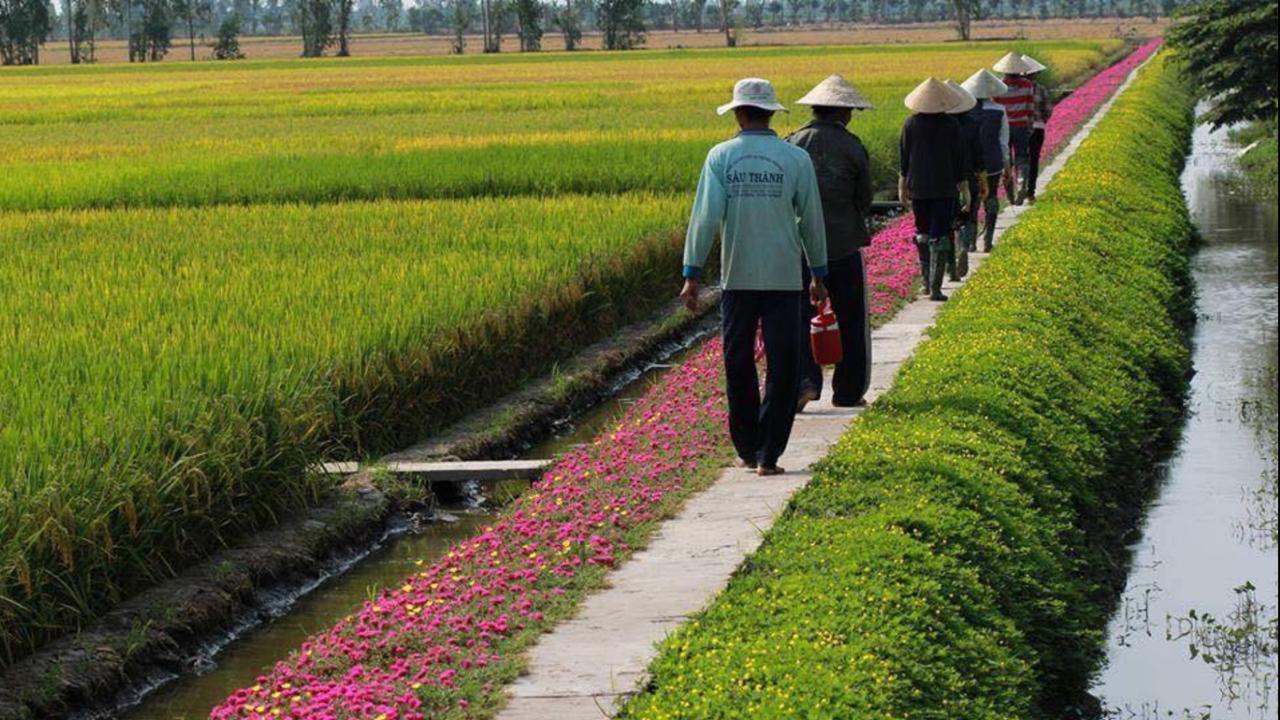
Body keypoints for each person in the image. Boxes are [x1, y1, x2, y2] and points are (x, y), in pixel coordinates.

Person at [680, 77, 829, 477]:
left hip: (738, 277)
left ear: (739, 113)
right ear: (769, 113)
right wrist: (818, 272)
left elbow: (705, 218)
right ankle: (769, 455)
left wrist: (692, 272)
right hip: (784, 277)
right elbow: (811, 220)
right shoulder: (795, 159)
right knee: (783, 365)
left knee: (738, 362)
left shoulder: (721, 157)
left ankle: (746, 447)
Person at [786, 74, 875, 411]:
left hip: (800, 249)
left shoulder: (793, 144)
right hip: (843, 245)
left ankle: (805, 383)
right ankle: (848, 390)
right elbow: (864, 199)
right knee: (850, 319)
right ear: (842, 112)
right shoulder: (853, 146)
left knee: (800, 315)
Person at [898, 77, 965, 302]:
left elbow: (904, 158)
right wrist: (964, 187)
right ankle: (935, 287)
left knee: (923, 233)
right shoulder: (951, 125)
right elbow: (958, 160)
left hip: (919, 187)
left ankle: (927, 284)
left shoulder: (910, 124)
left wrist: (903, 185)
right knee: (940, 235)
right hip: (945, 187)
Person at [962, 69, 1011, 253]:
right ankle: (988, 240)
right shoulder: (999, 111)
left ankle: (971, 242)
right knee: (991, 198)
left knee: (972, 200)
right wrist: (1007, 167)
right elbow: (1003, 143)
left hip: (970, 165)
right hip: (993, 163)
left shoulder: (964, 114)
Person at [944, 79, 980, 282]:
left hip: (945, 180)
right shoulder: (972, 124)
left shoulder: (940, 126)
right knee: (967, 215)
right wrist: (982, 179)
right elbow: (979, 155)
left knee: (948, 223)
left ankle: (952, 264)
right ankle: (965, 246)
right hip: (968, 177)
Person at [992, 51, 1038, 205]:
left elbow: (995, 109)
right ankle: (1021, 179)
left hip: (1003, 128)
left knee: (1006, 160)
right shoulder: (1028, 85)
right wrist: (1030, 125)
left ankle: (1010, 194)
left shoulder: (999, 87)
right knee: (1022, 157)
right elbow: (1031, 108)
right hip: (1021, 125)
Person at [1022, 54, 1054, 203]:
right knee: (1034, 159)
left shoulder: (1012, 90)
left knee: (1020, 158)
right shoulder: (1041, 89)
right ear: (1035, 74)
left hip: (1018, 128)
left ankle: (1020, 185)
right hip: (1037, 128)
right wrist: (1040, 121)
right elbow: (1047, 110)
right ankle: (1030, 193)